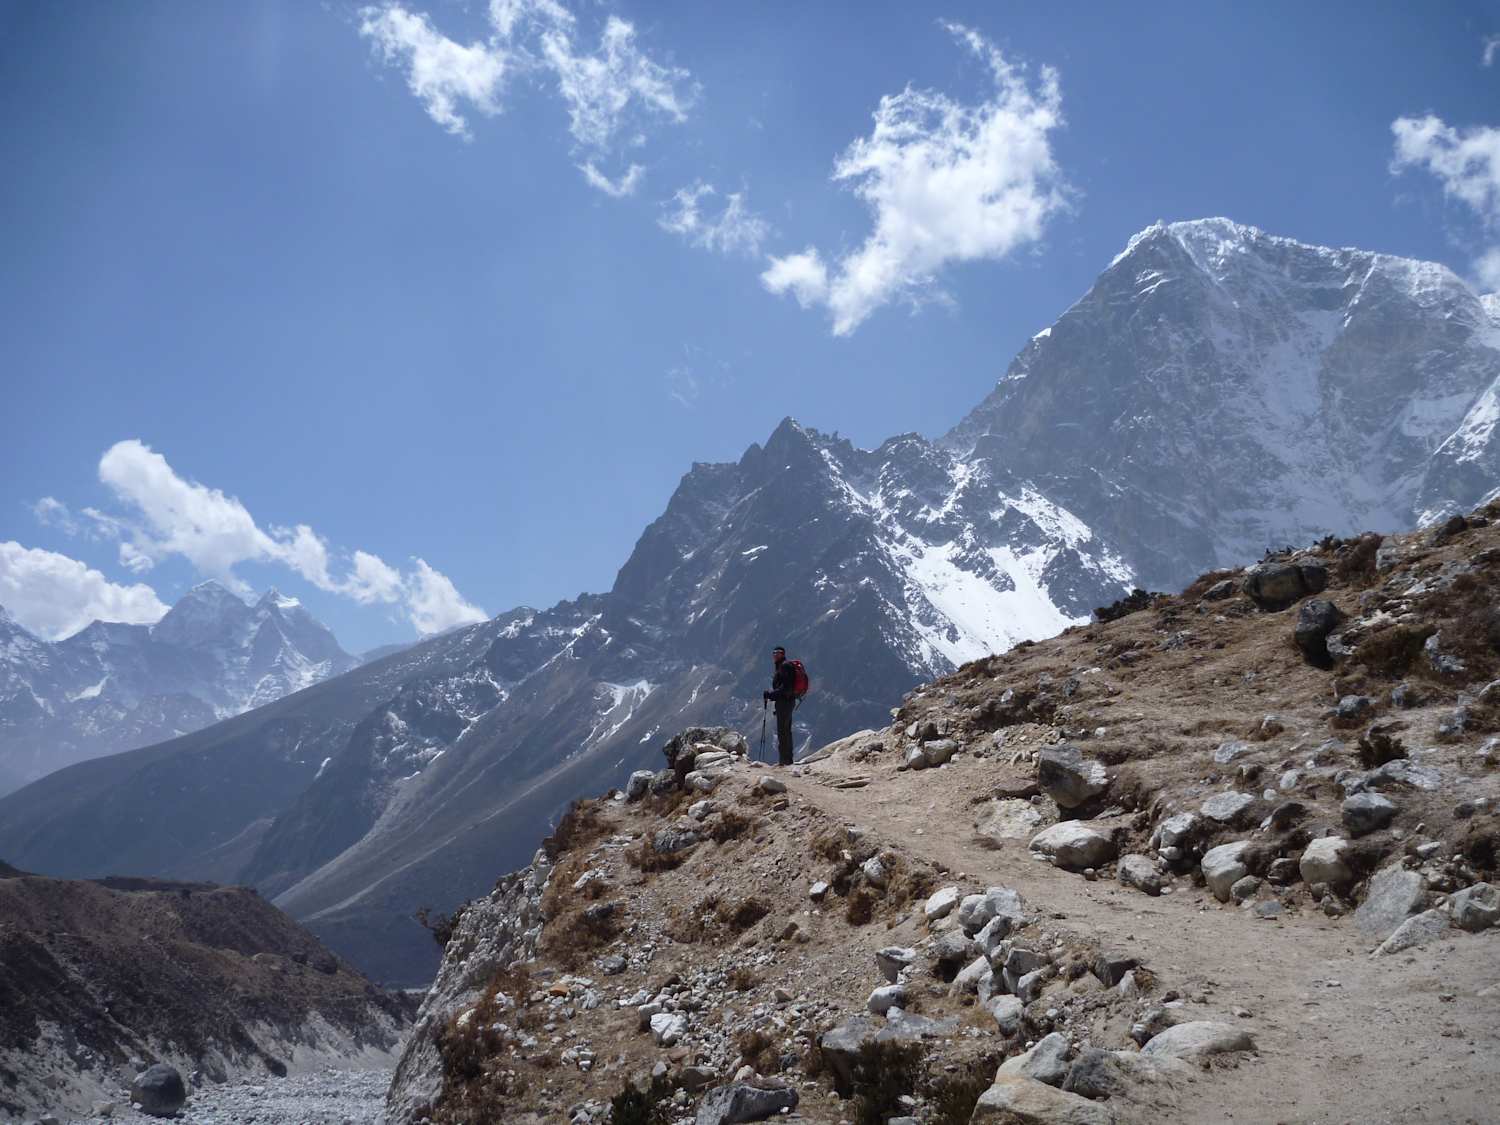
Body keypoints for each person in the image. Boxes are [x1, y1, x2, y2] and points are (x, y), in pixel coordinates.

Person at [763, 646, 797, 767]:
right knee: (786, 731)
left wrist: (770, 695)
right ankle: (788, 760)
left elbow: (785, 687)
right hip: (788, 701)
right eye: (774, 653)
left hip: (784, 702)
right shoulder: (783, 666)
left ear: (783, 654)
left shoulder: (784, 666)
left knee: (783, 732)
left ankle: (784, 762)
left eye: (778, 653)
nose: (775, 655)